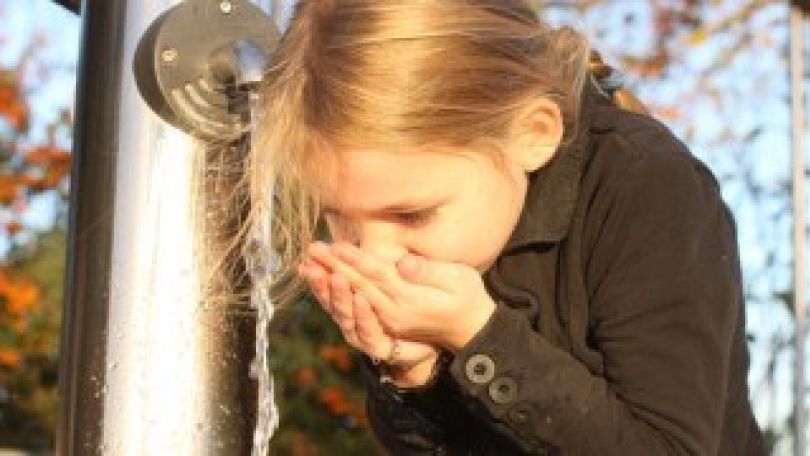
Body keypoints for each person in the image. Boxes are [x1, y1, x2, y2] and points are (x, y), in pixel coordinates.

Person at [251, 1, 766, 454]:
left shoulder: (647, 189)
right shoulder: (455, 232)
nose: (376, 254)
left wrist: (479, 336)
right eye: (339, 219)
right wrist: (414, 373)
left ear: (533, 136)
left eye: (412, 215)